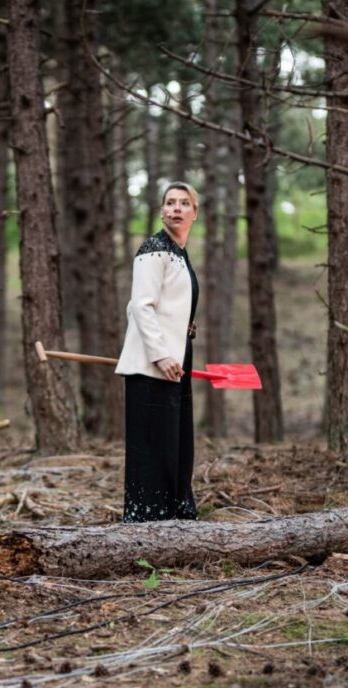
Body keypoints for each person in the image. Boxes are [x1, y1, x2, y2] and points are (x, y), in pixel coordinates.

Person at [115, 182, 201, 522]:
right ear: (162, 210)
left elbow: (160, 305)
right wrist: (160, 353)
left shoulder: (178, 253)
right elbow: (140, 306)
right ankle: (149, 521)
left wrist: (183, 328)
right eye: (170, 203)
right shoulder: (153, 248)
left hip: (177, 360)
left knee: (176, 444)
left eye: (184, 203)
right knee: (153, 447)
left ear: (195, 212)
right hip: (155, 366)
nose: (176, 208)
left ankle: (175, 515)